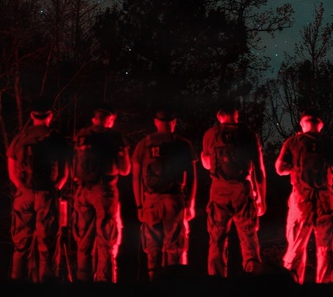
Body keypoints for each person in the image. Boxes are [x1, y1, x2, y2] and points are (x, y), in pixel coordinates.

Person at [275, 111, 333, 284]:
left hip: (301, 198)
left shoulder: (293, 142)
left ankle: (293, 284)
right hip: (325, 197)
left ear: (302, 123)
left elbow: (280, 169)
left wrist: (295, 168)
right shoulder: (329, 143)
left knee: (296, 246)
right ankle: (326, 287)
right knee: (326, 248)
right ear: (320, 125)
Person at [6, 100, 70, 282]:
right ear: (50, 115)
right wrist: (52, 190)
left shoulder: (20, 138)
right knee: (47, 246)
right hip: (47, 194)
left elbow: (11, 172)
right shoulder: (56, 139)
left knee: (21, 244)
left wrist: (23, 188)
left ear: (32, 115)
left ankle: (17, 286)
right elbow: (64, 174)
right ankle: (46, 288)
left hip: (24, 193)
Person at [131, 110, 197, 280]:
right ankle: (173, 288)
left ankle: (154, 288)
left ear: (155, 122)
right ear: (174, 122)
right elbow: (192, 176)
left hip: (151, 201)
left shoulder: (144, 144)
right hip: (174, 200)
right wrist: (190, 203)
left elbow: (136, 177)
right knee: (175, 248)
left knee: (152, 250)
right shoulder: (183, 144)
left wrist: (139, 205)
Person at [201, 106, 266, 276]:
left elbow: (207, 164)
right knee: (249, 239)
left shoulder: (211, 134)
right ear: (236, 114)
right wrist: (262, 198)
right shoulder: (248, 134)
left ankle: (217, 284)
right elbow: (258, 169)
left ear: (218, 115)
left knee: (217, 241)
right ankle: (253, 280)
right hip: (242, 191)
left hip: (219, 191)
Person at [72, 106, 131, 282]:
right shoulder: (114, 137)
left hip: (82, 191)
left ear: (94, 118)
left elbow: (73, 167)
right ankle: (105, 285)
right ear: (110, 118)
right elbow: (125, 169)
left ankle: (83, 283)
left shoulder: (81, 135)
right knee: (106, 239)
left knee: (83, 240)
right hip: (105, 191)